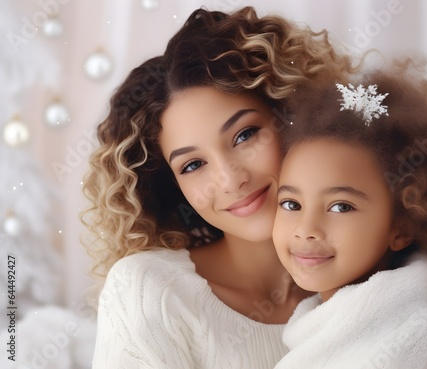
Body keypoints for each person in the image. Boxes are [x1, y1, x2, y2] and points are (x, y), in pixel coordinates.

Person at [81, 6, 354, 369]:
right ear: (174, 186)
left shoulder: (372, 281)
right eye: (193, 165)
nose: (231, 179)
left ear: (293, 118)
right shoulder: (149, 292)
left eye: (245, 135)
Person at [271, 62, 427, 369]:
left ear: (401, 227)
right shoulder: (320, 328)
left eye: (341, 206)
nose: (306, 229)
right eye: (291, 204)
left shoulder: (416, 346)